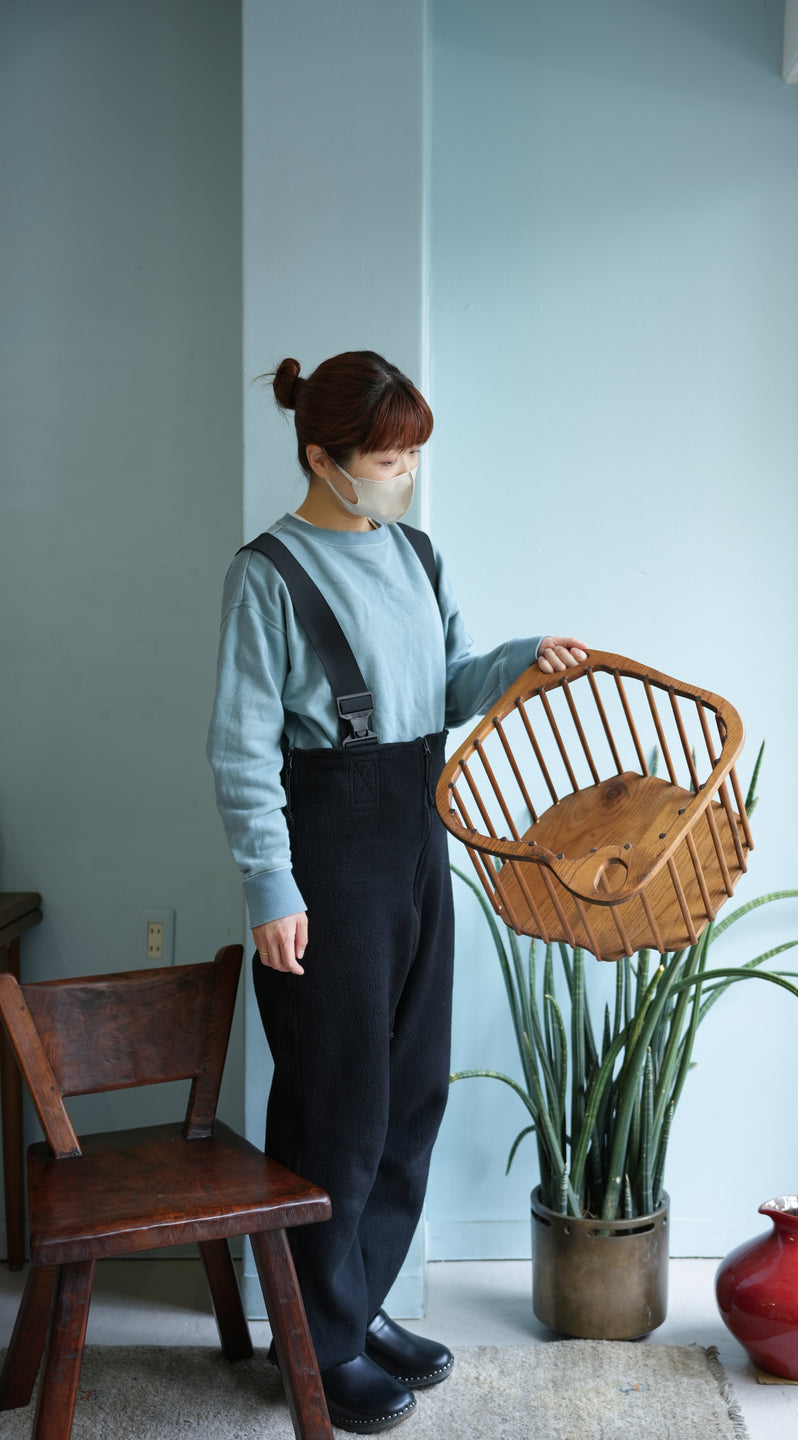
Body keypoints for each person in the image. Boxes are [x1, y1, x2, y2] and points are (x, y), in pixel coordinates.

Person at [207, 349, 587, 1433]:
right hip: (325, 858)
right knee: (337, 1104)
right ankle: (317, 1343)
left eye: (414, 456)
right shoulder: (269, 575)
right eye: (387, 459)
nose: (406, 476)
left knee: (413, 1090)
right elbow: (240, 748)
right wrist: (271, 885)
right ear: (322, 458)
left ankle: (357, 1303)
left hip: (421, 838)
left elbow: (449, 685)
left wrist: (522, 659)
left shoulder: (417, 555)